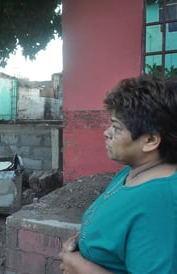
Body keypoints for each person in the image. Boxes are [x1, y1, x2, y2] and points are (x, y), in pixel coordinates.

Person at [58, 75, 177, 274]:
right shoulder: (132, 172)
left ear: (149, 140)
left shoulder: (160, 202)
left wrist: (81, 267)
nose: (107, 133)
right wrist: (88, 238)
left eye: (117, 128)